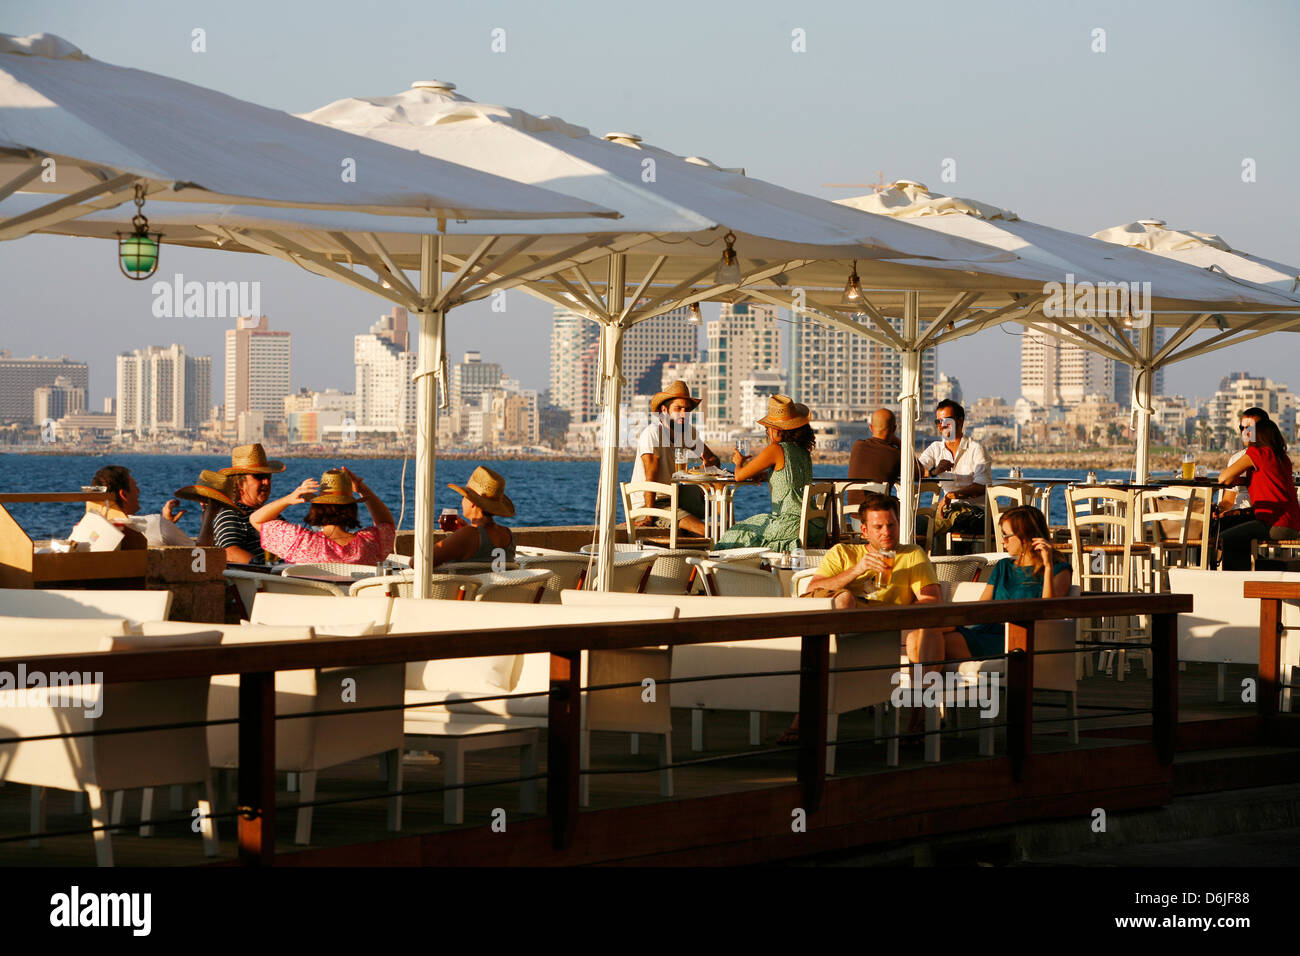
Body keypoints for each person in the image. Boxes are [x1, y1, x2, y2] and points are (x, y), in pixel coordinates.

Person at [790, 492, 946, 741]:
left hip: (890, 629)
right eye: (878, 526)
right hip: (847, 631)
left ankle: (919, 720)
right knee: (843, 598)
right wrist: (858, 569)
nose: (887, 532)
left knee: (926, 630)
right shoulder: (843, 552)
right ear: (864, 530)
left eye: (891, 525)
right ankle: (805, 715)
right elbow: (811, 589)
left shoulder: (912, 554)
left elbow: (931, 599)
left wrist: (898, 617)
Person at [942, 506, 1072, 662]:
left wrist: (1048, 566)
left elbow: (1049, 613)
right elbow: (982, 607)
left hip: (1018, 637)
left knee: (943, 640)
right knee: (933, 634)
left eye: (1007, 536)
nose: (1003, 541)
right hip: (988, 629)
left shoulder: (1058, 570)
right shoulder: (1004, 566)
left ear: (1026, 536)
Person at [715, 395, 822, 552]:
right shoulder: (802, 451)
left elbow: (738, 476)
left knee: (735, 533)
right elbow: (788, 478)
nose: (767, 433)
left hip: (790, 528)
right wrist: (765, 476)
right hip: (814, 526)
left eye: (767, 429)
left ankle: (730, 572)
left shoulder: (776, 449)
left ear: (776, 429)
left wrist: (739, 462)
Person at [250, 467, 396, 566]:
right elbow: (386, 523)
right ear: (352, 509)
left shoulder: (300, 542)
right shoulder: (369, 544)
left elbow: (256, 519)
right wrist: (361, 488)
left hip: (309, 609)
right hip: (354, 610)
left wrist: (290, 498)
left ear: (316, 509)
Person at [630, 381, 719, 538]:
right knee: (706, 532)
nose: (683, 414)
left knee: (718, 492)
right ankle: (717, 546)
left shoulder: (686, 433)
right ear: (664, 410)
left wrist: (708, 464)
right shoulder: (653, 433)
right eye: (678, 409)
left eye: (687, 410)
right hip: (651, 504)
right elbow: (651, 476)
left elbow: (713, 459)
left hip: (674, 497)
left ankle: (731, 528)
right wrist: (649, 517)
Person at [1217, 419, 1300, 570]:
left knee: (1225, 537)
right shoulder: (1281, 457)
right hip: (1292, 522)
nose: (1247, 435)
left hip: (1274, 524)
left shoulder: (1258, 453)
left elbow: (1223, 478)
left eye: (1250, 432)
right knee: (1237, 529)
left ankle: (1238, 581)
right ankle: (1251, 569)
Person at [916, 400, 992, 541]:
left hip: (976, 511)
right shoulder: (935, 448)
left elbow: (982, 487)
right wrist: (934, 471)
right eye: (938, 421)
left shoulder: (976, 449)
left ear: (960, 421)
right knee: (913, 523)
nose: (941, 425)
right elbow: (916, 471)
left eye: (946, 421)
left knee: (919, 525)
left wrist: (951, 496)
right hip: (950, 511)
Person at [82, 464, 189, 548]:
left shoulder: (92, 531)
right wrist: (205, 512)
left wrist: (167, 525)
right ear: (123, 495)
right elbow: (200, 553)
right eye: (135, 487)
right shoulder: (155, 524)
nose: (138, 491)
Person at [213, 443, 284, 565]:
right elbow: (229, 551)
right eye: (259, 476)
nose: (266, 481)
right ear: (240, 483)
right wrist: (266, 568)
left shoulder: (272, 515)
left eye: (268, 476)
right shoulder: (232, 514)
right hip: (266, 580)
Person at [1211, 407, 1270, 552]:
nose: (1245, 432)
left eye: (1250, 427)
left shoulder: (1267, 456)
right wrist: (1219, 510)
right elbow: (1228, 500)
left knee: (1219, 532)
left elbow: (1223, 479)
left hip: (1257, 515)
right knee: (1209, 525)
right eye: (1241, 428)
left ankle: (1236, 570)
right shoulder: (1236, 459)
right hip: (1240, 514)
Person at [433, 466, 516, 566]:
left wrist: (462, 533)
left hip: (467, 582)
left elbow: (418, 562)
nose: (462, 501)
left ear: (473, 503)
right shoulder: (507, 534)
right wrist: (465, 529)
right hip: (497, 581)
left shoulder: (467, 535)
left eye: (464, 496)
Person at [846, 408, 901, 504]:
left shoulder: (857, 446)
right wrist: (899, 442)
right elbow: (919, 472)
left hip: (854, 515)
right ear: (894, 429)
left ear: (871, 428)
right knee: (920, 519)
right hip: (880, 514)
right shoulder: (895, 454)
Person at [172, 470, 240, 547]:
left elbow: (203, 550)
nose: (201, 503)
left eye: (203, 499)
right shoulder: (223, 516)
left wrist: (208, 518)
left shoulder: (226, 516)